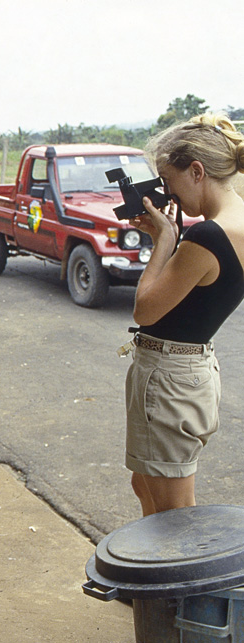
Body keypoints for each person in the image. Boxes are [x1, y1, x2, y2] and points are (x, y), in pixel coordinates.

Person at [125, 113, 244, 516]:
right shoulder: (235, 222)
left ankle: (172, 580)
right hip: (189, 372)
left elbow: (145, 310)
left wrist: (164, 240)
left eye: (168, 183)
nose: (167, 197)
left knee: (173, 516)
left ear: (196, 171)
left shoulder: (207, 235)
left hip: (172, 379)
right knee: (145, 485)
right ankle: (149, 578)